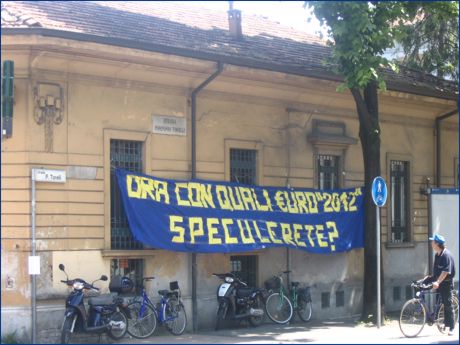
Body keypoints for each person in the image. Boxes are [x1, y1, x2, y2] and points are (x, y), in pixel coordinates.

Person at [422, 233, 456, 336]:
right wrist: (428, 278)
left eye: (433, 242)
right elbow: (437, 271)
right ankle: (439, 321)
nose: (431, 243)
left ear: (437, 244)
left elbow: (445, 272)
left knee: (447, 305)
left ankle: (451, 327)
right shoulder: (437, 255)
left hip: (446, 283)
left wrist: (437, 282)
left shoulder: (446, 255)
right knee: (438, 303)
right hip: (439, 282)